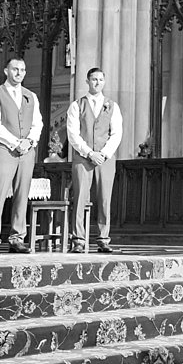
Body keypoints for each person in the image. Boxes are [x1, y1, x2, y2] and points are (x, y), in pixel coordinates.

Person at [0, 55, 43, 254]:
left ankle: (17, 237)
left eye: (23, 70)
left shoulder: (31, 96)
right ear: (6, 71)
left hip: (26, 151)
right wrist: (15, 143)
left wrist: (30, 141)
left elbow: (37, 123)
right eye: (15, 69)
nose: (19, 73)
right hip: (4, 149)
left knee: (22, 194)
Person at [66, 66, 122, 253]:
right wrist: (90, 153)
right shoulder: (76, 105)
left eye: (100, 80)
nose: (97, 83)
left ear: (104, 82)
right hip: (83, 158)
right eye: (94, 79)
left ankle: (103, 238)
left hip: (105, 159)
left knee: (105, 198)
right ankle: (78, 240)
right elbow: (73, 134)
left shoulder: (112, 106)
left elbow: (116, 133)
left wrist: (104, 154)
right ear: (87, 81)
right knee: (80, 197)